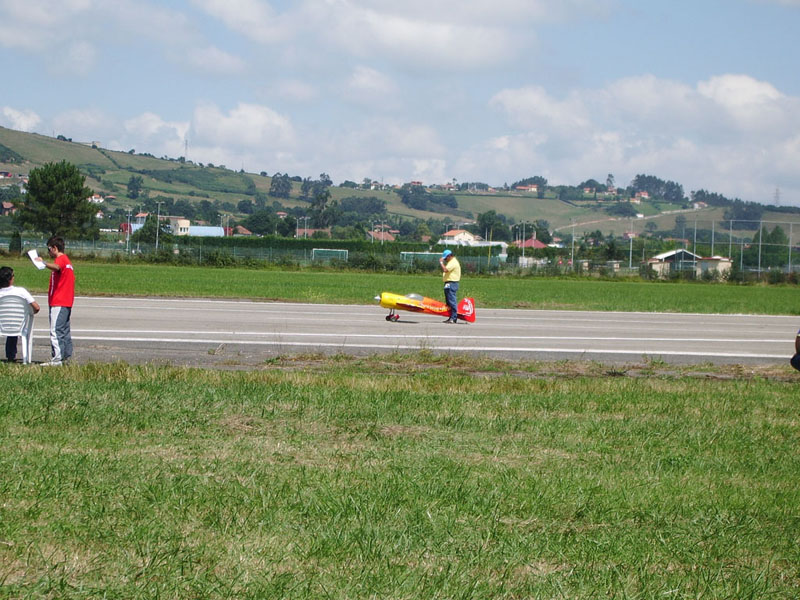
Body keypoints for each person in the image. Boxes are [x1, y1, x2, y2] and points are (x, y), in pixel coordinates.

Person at [37, 236, 75, 365]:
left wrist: (43, 263)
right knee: (64, 330)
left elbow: (56, 267)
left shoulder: (61, 259)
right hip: (65, 301)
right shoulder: (67, 260)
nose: (48, 252)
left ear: (54, 248)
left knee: (56, 330)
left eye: (49, 249)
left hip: (59, 301)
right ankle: (66, 356)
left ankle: (57, 358)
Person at [0, 266, 41, 362]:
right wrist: (30, 313)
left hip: (1, 325)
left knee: (9, 323)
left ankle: (10, 356)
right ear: (10, 279)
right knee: (15, 324)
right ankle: (13, 356)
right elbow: (37, 307)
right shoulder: (21, 291)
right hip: (18, 325)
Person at [439, 249, 461, 323]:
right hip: (448, 283)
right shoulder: (450, 262)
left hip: (452, 283)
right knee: (448, 302)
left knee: (452, 301)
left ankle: (454, 317)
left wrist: (441, 263)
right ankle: (450, 317)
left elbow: (445, 270)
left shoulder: (453, 262)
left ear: (449, 256)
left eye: (445, 258)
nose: (445, 260)